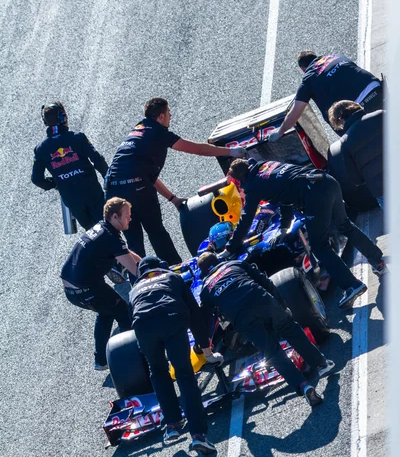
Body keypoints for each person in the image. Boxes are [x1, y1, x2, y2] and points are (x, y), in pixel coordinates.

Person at [222, 158, 387, 309]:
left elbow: (246, 220)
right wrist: (284, 227)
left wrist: (230, 247)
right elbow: (283, 196)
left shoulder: (253, 186)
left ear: (241, 179)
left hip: (315, 194)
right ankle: (378, 261)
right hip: (327, 181)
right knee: (345, 226)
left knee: (318, 245)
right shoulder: (265, 166)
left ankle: (351, 284)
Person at [105, 97, 246, 265]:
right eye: (169, 114)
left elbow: (147, 176)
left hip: (114, 190)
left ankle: (140, 281)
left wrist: (173, 199)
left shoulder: (137, 131)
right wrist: (231, 152)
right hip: (136, 187)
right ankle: (176, 271)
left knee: (134, 241)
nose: (170, 116)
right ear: (161, 117)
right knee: (156, 232)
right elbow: (197, 149)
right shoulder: (158, 132)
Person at [198, 252, 335, 406]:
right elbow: (265, 281)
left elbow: (204, 321)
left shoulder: (205, 289)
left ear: (203, 273)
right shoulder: (235, 264)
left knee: (272, 352)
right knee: (290, 329)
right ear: (218, 261)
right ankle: (321, 364)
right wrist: (283, 305)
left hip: (241, 318)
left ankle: (303, 386)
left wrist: (201, 346)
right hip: (261, 299)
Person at [129, 256, 223, 454]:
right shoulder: (172, 277)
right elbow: (196, 317)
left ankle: (172, 424)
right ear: (160, 268)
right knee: (184, 374)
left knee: (157, 371)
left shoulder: (134, 290)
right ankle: (198, 435)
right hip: (172, 319)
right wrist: (207, 351)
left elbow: (137, 320)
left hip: (143, 328)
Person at [61, 197, 141, 370]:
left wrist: (151, 263)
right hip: (86, 289)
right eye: (127, 216)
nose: (130, 219)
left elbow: (127, 253)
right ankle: (133, 361)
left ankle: (101, 360)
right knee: (124, 314)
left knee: (106, 311)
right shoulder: (110, 238)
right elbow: (136, 271)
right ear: (114, 217)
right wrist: (158, 274)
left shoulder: (102, 228)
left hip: (73, 289)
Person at [267, 51, 384, 141]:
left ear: (303, 68)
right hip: (377, 90)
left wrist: (280, 132)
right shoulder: (337, 56)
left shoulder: (308, 79)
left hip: (356, 109)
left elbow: (295, 112)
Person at [32, 102, 109, 230]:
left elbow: (37, 179)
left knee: (93, 234)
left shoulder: (40, 149)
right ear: (63, 118)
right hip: (92, 193)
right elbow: (98, 160)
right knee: (109, 230)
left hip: (72, 199)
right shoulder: (77, 137)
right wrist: (109, 178)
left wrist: (55, 183)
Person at [328, 101, 384, 210]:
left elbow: (356, 179)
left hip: (382, 188)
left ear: (340, 119)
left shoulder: (345, 142)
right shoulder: (382, 114)